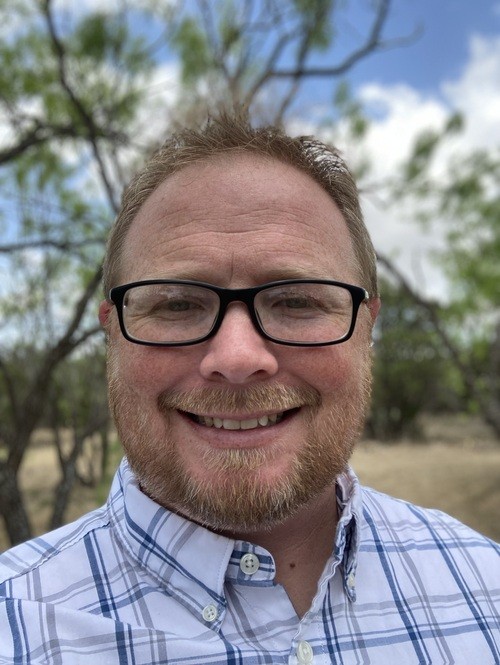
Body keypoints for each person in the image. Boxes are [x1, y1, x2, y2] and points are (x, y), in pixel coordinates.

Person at [0, 113, 498, 665]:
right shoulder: (15, 626)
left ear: (367, 328)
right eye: (177, 304)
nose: (237, 359)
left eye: (298, 301)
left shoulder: (485, 586)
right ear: (112, 332)